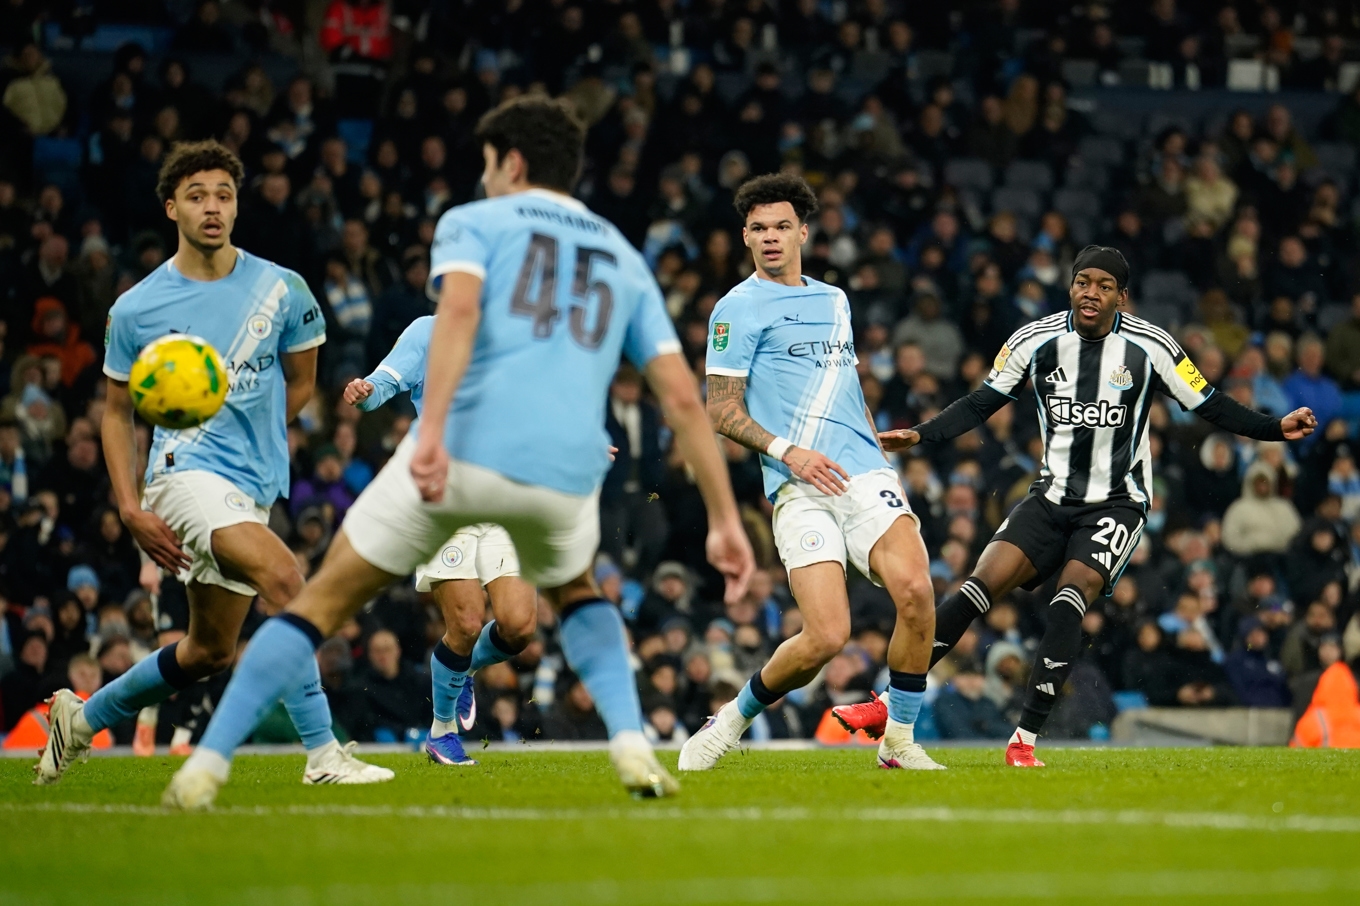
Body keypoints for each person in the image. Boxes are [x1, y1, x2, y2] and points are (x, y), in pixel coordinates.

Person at [163, 96, 754, 808]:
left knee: (317, 602)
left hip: (460, 455)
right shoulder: (619, 252)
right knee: (576, 595)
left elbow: (461, 314)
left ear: (511, 162)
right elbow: (684, 398)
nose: (483, 175)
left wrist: (434, 429)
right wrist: (724, 517)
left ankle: (207, 763)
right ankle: (629, 740)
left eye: (485, 161)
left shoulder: (474, 222)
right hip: (554, 469)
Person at [832, 245, 1317, 766]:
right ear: (1071, 287)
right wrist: (922, 436)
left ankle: (1024, 740)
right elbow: (981, 403)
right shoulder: (1034, 340)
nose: (1091, 292)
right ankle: (888, 705)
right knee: (978, 584)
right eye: (1083, 281)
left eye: (1104, 285)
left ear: (1121, 297)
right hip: (1051, 495)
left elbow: (1210, 403)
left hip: (1118, 502)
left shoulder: (1151, 346)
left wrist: (1273, 429)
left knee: (1071, 594)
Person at [35, 140, 391, 788]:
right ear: (171, 206)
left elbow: (302, 381)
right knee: (288, 577)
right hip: (181, 472)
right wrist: (129, 506)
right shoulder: (137, 307)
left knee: (208, 652)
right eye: (197, 195)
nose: (212, 207)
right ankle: (323, 753)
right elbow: (117, 414)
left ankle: (79, 722)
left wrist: (253, 429)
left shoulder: (283, 289)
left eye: (223, 195)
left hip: (253, 481)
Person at [678, 173, 941, 773]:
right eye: (758, 229)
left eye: (780, 227)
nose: (770, 238)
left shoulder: (835, 300)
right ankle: (733, 719)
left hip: (864, 473)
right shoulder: (735, 309)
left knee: (917, 591)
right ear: (745, 237)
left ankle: (898, 741)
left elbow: (842, 384)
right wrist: (787, 450)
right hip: (797, 485)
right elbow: (719, 408)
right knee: (825, 637)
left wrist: (871, 434)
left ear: (803, 232)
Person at [343, 315, 537, 766]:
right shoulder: (428, 331)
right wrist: (365, 393)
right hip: (443, 498)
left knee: (520, 626)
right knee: (466, 624)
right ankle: (442, 731)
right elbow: (385, 382)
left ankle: (462, 666)